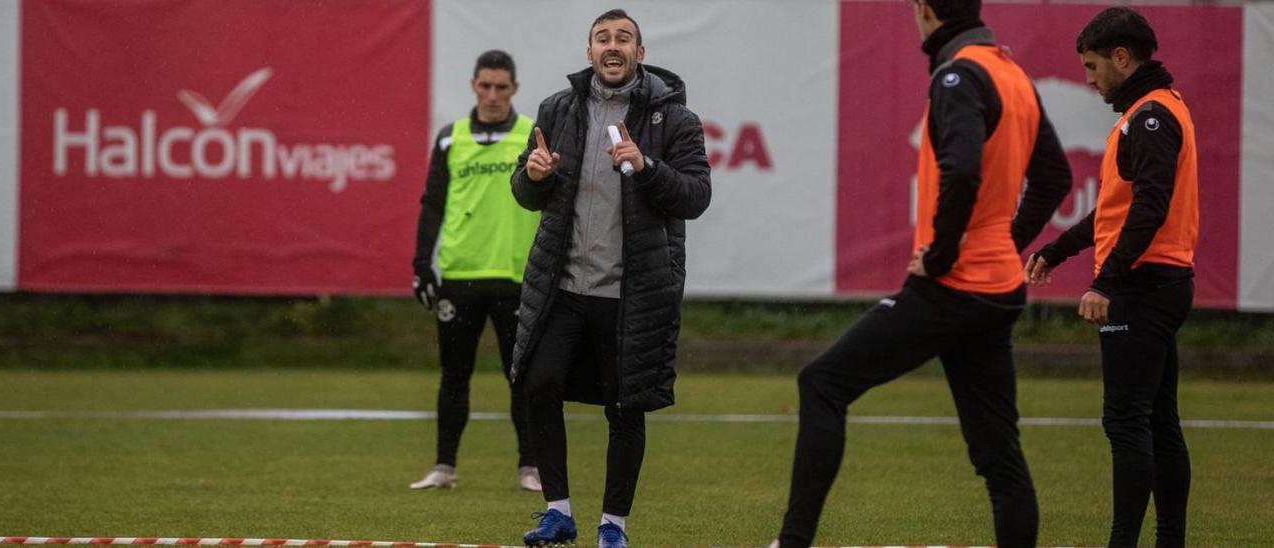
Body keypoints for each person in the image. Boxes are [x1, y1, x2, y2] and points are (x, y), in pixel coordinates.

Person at [772, 0, 1072, 546]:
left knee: (822, 383)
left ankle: (792, 542)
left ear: (926, 11)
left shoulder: (958, 74)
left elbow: (961, 170)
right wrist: (1004, 244)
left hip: (954, 287)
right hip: (997, 289)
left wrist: (940, 255)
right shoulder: (1011, 71)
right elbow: (1056, 178)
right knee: (999, 457)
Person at [508, 8, 711, 547]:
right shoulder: (558, 108)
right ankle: (558, 514)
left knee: (626, 407)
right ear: (589, 52)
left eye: (624, 38)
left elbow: (696, 196)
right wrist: (531, 177)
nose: (613, 46)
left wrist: (647, 167)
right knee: (538, 382)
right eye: (603, 38)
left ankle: (612, 526)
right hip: (564, 287)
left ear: (640, 54)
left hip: (632, 293)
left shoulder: (676, 119)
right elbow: (527, 193)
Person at [1025, 7, 1198, 546]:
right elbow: (1117, 211)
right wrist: (1058, 249)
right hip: (1165, 281)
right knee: (1158, 422)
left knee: (1126, 422)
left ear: (1122, 57)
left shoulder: (1148, 118)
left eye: (1094, 65)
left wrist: (1107, 281)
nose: (1089, 77)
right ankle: (1169, 540)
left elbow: (1150, 206)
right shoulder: (1158, 109)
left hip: (1143, 286)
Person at [408, 49, 541, 493]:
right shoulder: (451, 138)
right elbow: (432, 204)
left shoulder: (532, 136)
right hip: (460, 276)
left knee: (521, 376)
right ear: (473, 86)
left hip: (516, 275)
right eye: (485, 85)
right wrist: (421, 264)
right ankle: (444, 467)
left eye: (501, 87)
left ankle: (530, 467)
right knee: (453, 376)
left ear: (515, 90)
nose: (492, 95)